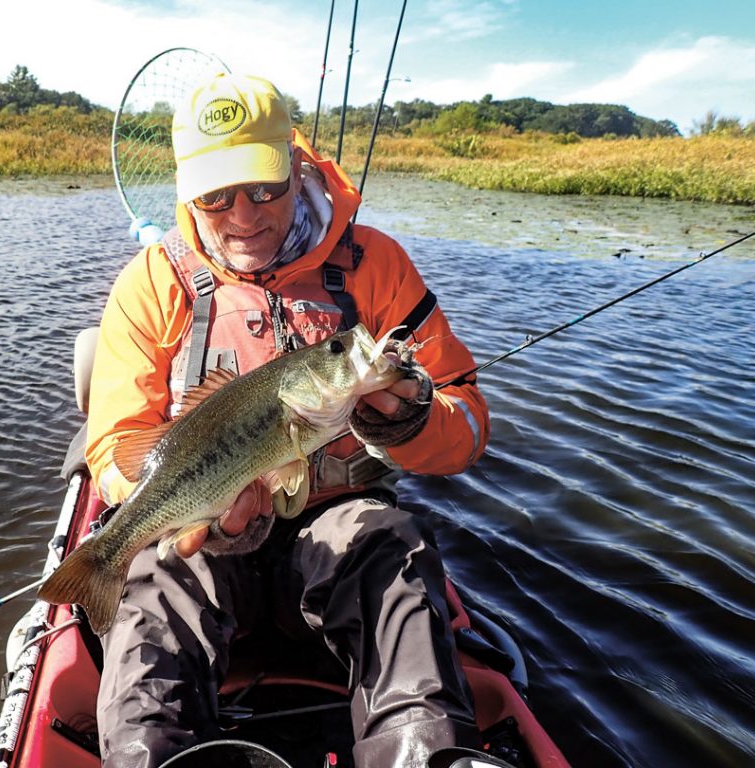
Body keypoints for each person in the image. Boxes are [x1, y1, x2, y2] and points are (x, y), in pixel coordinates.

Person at [84, 72, 491, 767]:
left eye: (263, 188)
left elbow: (468, 423)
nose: (242, 214)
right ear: (186, 192)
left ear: (296, 167)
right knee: (155, 579)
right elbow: (118, 449)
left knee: (392, 547)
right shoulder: (153, 282)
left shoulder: (377, 267)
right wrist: (203, 515)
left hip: (340, 525)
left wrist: (410, 418)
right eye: (215, 194)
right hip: (205, 535)